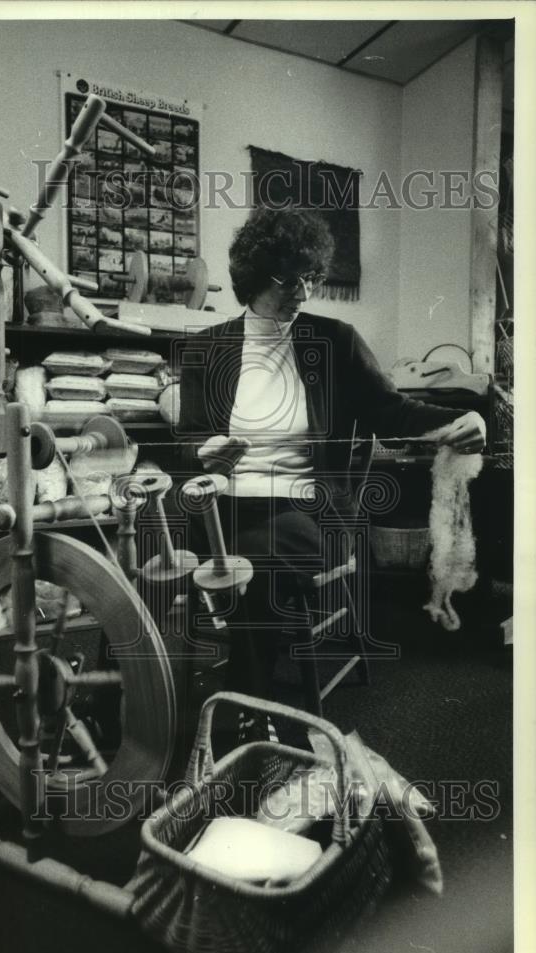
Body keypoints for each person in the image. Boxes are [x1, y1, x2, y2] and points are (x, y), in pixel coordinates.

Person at [176, 206, 486, 736]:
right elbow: (188, 436)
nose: (302, 290)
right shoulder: (207, 348)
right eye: (287, 278)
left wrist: (459, 419)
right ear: (253, 278)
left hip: (306, 510)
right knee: (144, 546)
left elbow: (391, 413)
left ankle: (254, 715)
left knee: (252, 566)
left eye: (310, 277)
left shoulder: (336, 341)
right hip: (220, 503)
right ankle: (138, 707)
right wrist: (204, 452)